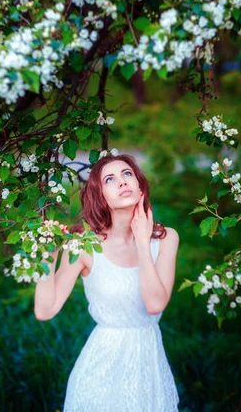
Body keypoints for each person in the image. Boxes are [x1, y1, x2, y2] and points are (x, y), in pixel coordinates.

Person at [34, 153, 180, 411]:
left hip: (149, 366)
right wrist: (49, 257)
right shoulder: (85, 245)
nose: (123, 182)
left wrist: (143, 242)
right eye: (110, 179)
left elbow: (155, 303)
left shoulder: (166, 239)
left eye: (127, 174)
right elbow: (45, 310)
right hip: (101, 369)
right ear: (100, 196)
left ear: (139, 184)